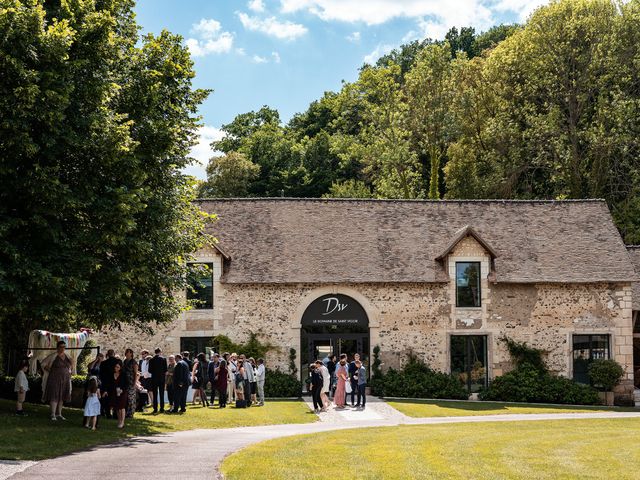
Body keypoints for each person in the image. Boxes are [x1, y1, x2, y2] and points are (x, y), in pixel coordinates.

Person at [41, 340, 73, 421]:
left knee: (61, 396)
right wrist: (50, 370)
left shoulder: (67, 356)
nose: (63, 348)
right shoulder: (53, 356)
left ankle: (59, 414)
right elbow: (43, 363)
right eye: (61, 347)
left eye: (64, 347)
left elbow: (71, 366)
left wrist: (70, 370)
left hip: (65, 379)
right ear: (57, 347)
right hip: (54, 378)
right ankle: (53, 414)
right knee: (54, 395)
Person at [107, 361, 127, 428]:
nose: (116, 368)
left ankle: (122, 422)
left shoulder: (123, 374)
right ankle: (119, 421)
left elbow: (126, 384)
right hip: (114, 392)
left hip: (122, 392)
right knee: (117, 407)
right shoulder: (111, 374)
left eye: (118, 367)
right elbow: (110, 384)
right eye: (115, 367)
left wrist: (122, 390)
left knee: (122, 407)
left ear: (120, 367)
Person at [99, 349, 118, 418]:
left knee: (106, 399)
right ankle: (115, 414)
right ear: (114, 354)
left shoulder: (103, 363)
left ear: (107, 354)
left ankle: (107, 413)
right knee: (115, 398)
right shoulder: (118, 362)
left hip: (106, 383)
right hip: (115, 382)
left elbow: (101, 374)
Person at [149, 348, 168, 413]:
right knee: (161, 394)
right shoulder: (163, 359)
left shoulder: (151, 359)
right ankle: (162, 408)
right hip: (161, 378)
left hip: (154, 378)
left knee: (155, 394)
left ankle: (155, 408)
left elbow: (149, 370)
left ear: (155, 352)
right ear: (160, 352)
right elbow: (165, 369)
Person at [123, 348, 138, 418]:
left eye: (128, 352)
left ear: (131, 353)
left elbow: (135, 373)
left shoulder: (134, 362)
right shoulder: (124, 361)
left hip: (131, 382)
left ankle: (131, 413)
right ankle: (126, 412)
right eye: (126, 352)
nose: (126, 354)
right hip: (125, 382)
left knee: (131, 398)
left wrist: (135, 383)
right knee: (125, 398)